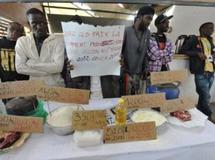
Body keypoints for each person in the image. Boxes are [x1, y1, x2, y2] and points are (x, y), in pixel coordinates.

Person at [15, 8, 65, 87]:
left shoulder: (57, 40)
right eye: (34, 23)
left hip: (56, 86)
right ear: (29, 24)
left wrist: (31, 63)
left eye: (42, 23)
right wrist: (49, 71)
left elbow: (58, 67)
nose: (39, 27)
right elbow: (20, 68)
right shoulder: (22, 41)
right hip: (34, 88)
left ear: (46, 23)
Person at [181, 22, 215, 120]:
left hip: (211, 71)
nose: (212, 30)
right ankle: (208, 115)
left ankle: (200, 112)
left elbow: (212, 50)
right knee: (206, 95)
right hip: (201, 72)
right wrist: (197, 53)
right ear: (202, 29)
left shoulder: (210, 40)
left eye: (213, 28)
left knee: (204, 95)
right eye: (210, 28)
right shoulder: (194, 39)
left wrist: (213, 53)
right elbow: (183, 50)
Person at [121, 6, 155, 95]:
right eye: (147, 18)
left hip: (140, 75)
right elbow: (119, 53)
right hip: (126, 75)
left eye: (151, 19)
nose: (149, 22)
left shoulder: (147, 33)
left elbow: (145, 53)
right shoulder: (126, 31)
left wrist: (146, 68)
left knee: (137, 102)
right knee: (125, 102)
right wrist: (124, 71)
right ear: (139, 17)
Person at [0, 22, 29, 104]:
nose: (15, 32)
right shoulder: (1, 43)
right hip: (7, 84)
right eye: (12, 29)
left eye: (18, 30)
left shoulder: (24, 44)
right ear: (6, 30)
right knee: (11, 108)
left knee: (28, 107)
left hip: (24, 83)